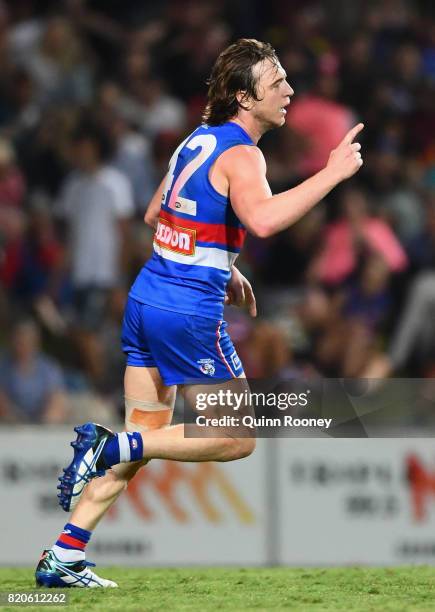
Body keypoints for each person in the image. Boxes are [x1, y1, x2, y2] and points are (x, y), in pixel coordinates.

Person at [35, 38, 364, 588]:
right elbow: (261, 221)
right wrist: (331, 174)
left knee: (150, 431)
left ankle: (65, 554)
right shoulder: (244, 153)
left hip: (147, 299)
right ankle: (107, 445)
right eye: (276, 80)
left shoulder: (196, 140)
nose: (289, 89)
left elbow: (154, 214)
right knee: (236, 435)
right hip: (186, 312)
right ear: (243, 96)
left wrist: (222, 264)